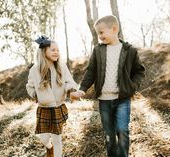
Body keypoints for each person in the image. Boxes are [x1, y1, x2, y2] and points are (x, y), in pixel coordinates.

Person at [71, 15, 145, 157]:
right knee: (109, 134)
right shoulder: (98, 51)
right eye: (98, 33)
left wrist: (132, 86)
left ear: (114, 29)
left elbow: (139, 71)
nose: (99, 36)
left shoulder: (130, 51)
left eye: (101, 32)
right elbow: (91, 72)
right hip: (104, 101)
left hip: (122, 99)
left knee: (122, 130)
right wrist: (82, 89)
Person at [26, 35, 77, 157]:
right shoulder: (35, 69)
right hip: (44, 108)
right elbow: (29, 86)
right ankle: (49, 147)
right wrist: (35, 95)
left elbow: (69, 82)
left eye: (58, 50)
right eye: (53, 50)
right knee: (44, 138)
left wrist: (71, 90)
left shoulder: (61, 66)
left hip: (58, 107)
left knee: (57, 139)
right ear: (44, 52)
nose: (56, 52)